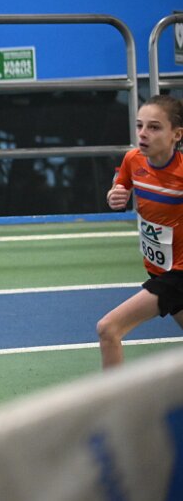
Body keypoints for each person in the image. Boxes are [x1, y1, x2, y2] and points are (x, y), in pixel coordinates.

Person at [98, 94, 183, 368]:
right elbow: (119, 186)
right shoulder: (132, 160)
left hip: (179, 274)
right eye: (139, 125)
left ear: (176, 134)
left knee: (108, 329)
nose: (143, 133)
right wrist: (114, 196)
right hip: (158, 268)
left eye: (154, 127)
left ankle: (116, 399)